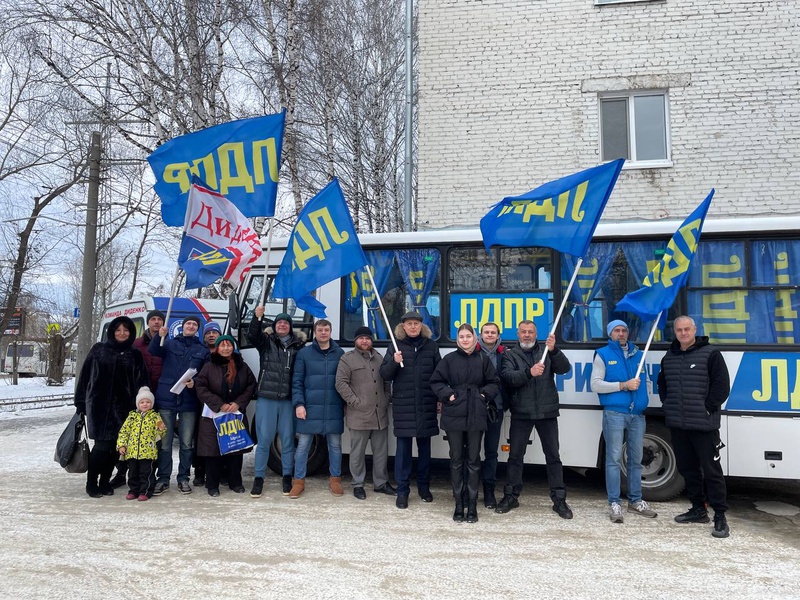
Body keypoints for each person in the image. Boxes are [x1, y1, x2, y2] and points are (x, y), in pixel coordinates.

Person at [657, 316, 731, 538]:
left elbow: (722, 386)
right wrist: (667, 403)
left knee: (712, 472)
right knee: (688, 470)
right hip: (679, 425)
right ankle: (699, 509)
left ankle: (720, 516)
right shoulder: (669, 356)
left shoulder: (711, 354)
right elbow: (663, 384)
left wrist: (708, 407)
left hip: (704, 425)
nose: (683, 333)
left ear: (695, 330)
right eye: (679, 330)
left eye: (687, 329)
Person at [496, 320, 573, 519]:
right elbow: (508, 377)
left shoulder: (546, 352)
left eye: (531, 332)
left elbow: (565, 369)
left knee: (553, 457)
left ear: (536, 333)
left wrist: (554, 350)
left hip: (547, 413)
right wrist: (528, 373)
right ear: (518, 334)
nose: (527, 335)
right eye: (524, 332)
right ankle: (511, 496)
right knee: (515, 457)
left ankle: (559, 499)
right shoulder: (510, 355)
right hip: (522, 412)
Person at [430, 323, 500, 523]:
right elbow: (436, 382)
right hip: (454, 415)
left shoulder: (483, 359)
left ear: (474, 338)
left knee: (473, 460)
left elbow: (494, 382)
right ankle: (458, 504)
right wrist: (448, 395)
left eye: (468, 336)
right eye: (461, 337)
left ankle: (472, 504)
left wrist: (483, 395)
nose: (465, 340)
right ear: (457, 340)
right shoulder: (449, 360)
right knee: (456, 459)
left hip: (477, 415)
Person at [74, 316, 149, 498]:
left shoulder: (135, 354)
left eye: (126, 330)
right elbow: (84, 376)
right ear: (112, 332)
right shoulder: (98, 350)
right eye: (118, 330)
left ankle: (105, 482)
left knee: (117, 448)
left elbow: (142, 382)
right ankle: (91, 482)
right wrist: (81, 402)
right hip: (99, 407)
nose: (122, 333)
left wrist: (142, 404)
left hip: (125, 409)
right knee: (101, 448)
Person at [591, 319, 657, 523]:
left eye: (624, 330)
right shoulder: (603, 354)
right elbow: (596, 385)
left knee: (636, 460)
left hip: (637, 415)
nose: (621, 334)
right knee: (613, 459)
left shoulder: (639, 354)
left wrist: (643, 397)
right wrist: (623, 386)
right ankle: (614, 503)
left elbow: (645, 380)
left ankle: (636, 501)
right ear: (610, 334)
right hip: (615, 414)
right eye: (616, 331)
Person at [380, 311, 441, 509]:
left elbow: (439, 374)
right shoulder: (395, 347)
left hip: (426, 404)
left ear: (421, 326)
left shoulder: (431, 346)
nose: (413, 327)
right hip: (404, 405)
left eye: (416, 323)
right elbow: (385, 374)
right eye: (409, 324)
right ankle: (403, 491)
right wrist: (394, 362)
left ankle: (424, 487)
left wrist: (439, 397)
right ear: (403, 327)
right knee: (403, 452)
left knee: (425, 451)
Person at [247, 308, 307, 498]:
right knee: (264, 440)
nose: (282, 325)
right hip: (267, 398)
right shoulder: (266, 343)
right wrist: (257, 317)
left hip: (288, 400)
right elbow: (252, 335)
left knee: (288, 441)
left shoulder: (299, 347)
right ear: (274, 326)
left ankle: (287, 476)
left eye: (286, 323)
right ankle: (258, 479)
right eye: (279, 322)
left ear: (290, 327)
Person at [149, 315, 210, 495]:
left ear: (197, 329)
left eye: (194, 324)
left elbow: (205, 373)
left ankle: (183, 477)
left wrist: (196, 381)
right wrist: (159, 336)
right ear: (182, 327)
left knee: (186, 443)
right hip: (166, 398)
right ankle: (163, 478)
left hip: (189, 400)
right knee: (165, 443)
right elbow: (154, 350)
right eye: (188, 323)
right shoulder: (169, 343)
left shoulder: (202, 349)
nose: (191, 326)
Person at [335, 326, 396, 500]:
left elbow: (386, 380)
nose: (364, 341)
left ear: (371, 340)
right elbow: (341, 384)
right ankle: (358, 484)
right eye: (361, 338)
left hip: (379, 415)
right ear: (355, 341)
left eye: (367, 338)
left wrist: (386, 399)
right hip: (359, 415)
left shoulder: (379, 357)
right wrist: (355, 402)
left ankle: (381, 483)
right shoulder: (347, 359)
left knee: (381, 452)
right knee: (357, 453)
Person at [290, 319, 345, 499]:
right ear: (315, 332)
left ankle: (335, 480)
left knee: (335, 446)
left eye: (326, 330)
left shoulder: (340, 353)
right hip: (309, 407)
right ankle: (298, 481)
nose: (323, 333)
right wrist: (299, 404)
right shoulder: (304, 353)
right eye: (320, 330)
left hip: (333, 407)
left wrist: (345, 405)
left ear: (330, 331)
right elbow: (297, 382)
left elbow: (345, 382)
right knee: (303, 446)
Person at [110, 308, 165, 489]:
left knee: (153, 438)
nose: (156, 322)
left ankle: (149, 477)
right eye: (153, 319)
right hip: (137, 399)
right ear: (148, 322)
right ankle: (121, 474)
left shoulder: (168, 343)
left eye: (159, 319)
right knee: (130, 437)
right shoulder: (136, 344)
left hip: (160, 397)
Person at [196, 335, 257, 496]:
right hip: (213, 416)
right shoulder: (209, 366)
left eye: (228, 345)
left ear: (233, 347)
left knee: (235, 450)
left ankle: (235, 482)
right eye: (222, 346)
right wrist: (219, 404)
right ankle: (212, 485)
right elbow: (201, 387)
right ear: (217, 348)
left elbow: (251, 385)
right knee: (213, 452)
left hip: (235, 414)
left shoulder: (242, 366)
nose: (225, 348)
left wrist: (238, 403)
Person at [476, 322, 509, 509]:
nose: (489, 335)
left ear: (498, 336)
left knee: (491, 453)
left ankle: (489, 492)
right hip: (475, 409)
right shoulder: (473, 352)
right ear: (481, 335)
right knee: (471, 452)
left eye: (493, 332)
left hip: (496, 410)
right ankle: (470, 489)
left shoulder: (505, 354)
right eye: (486, 332)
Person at [116, 386, 166, 501]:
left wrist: (161, 428)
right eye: (142, 402)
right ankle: (133, 490)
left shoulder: (155, 416)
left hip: (148, 452)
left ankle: (146, 491)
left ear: (152, 404)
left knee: (146, 473)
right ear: (138, 404)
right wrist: (122, 445)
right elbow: (124, 431)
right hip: (132, 452)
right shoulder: (132, 416)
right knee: (133, 473)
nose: (145, 404)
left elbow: (162, 432)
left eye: (148, 402)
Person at [192, 321, 223, 487]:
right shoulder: (198, 352)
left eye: (214, 333)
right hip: (201, 402)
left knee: (222, 436)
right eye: (208, 333)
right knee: (201, 438)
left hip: (221, 403)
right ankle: (199, 471)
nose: (211, 335)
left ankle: (222, 471)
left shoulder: (227, 351)